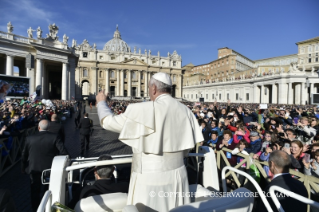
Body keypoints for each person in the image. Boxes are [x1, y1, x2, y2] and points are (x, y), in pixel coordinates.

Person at [96, 72, 203, 212]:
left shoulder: (141, 109)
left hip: (149, 178)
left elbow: (108, 122)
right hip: (179, 175)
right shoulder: (186, 111)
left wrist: (101, 102)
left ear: (153, 88)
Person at [21, 120, 68, 212]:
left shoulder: (29, 138)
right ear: (49, 128)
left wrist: (23, 168)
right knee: (49, 189)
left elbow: (24, 155)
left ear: (38, 128)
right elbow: (64, 152)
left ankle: (36, 209)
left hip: (34, 169)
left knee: (35, 191)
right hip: (50, 169)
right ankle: (48, 207)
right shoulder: (54, 137)